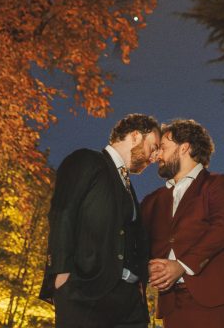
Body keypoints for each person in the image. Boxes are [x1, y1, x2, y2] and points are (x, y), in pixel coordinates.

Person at [39, 113, 162, 328]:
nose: (154, 157)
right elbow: (63, 212)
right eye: (153, 147)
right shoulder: (86, 160)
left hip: (130, 302)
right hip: (85, 293)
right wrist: (61, 274)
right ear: (135, 136)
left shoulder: (128, 186)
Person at [140, 119, 224, 327]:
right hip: (172, 304)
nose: (157, 155)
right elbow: (138, 241)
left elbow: (223, 228)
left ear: (184, 148)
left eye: (163, 147)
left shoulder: (217, 184)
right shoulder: (152, 201)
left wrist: (181, 265)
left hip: (215, 299)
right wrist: (148, 266)